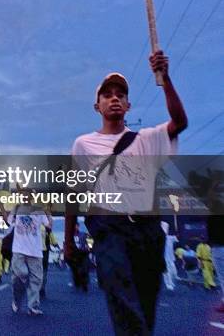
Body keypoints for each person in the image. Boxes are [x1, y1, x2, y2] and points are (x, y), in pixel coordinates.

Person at [66, 50, 187, 335]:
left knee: (144, 314)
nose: (114, 98)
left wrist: (165, 78)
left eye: (120, 94)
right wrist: (69, 243)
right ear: (97, 106)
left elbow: (179, 122)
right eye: (107, 94)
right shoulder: (84, 144)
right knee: (126, 310)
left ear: (129, 104)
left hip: (148, 231)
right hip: (110, 232)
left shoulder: (146, 140)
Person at [2, 205, 52, 315]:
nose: (25, 196)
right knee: (21, 274)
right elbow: (8, 221)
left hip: (35, 251)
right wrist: (1, 206)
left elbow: (49, 226)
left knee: (36, 280)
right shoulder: (17, 208)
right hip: (19, 250)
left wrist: (48, 213)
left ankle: (33, 306)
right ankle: (16, 299)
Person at [68, 223, 90, 292]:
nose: (75, 227)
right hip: (74, 255)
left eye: (76, 226)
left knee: (84, 269)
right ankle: (77, 283)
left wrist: (89, 247)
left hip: (83, 253)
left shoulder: (83, 234)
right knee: (75, 270)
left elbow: (89, 240)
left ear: (78, 226)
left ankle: (84, 284)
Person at [40, 224, 59, 298]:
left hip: (34, 253)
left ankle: (34, 288)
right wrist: (56, 245)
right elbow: (54, 242)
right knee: (44, 271)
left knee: (34, 271)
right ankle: (42, 288)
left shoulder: (33, 226)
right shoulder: (47, 229)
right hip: (44, 253)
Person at [161, 221, 178, 292]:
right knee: (166, 272)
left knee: (173, 270)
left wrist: (176, 231)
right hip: (163, 258)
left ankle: (172, 282)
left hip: (170, 258)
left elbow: (176, 238)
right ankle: (168, 285)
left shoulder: (170, 238)